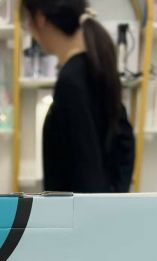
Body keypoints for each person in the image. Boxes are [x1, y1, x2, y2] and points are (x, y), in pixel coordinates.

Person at [21, 0, 135, 193]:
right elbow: (125, 143)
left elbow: (86, 167)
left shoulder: (72, 80)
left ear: (39, 19)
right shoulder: (94, 68)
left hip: (82, 209)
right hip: (103, 206)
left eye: (27, 22)